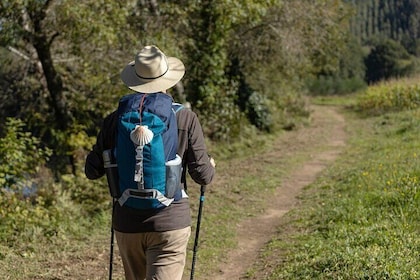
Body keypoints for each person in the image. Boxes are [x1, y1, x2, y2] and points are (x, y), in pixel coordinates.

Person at [85, 45, 215, 280]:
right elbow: (202, 176)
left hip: (127, 224)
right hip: (170, 223)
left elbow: (91, 171)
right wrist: (210, 166)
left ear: (134, 80)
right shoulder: (185, 117)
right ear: (168, 80)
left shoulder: (115, 120)